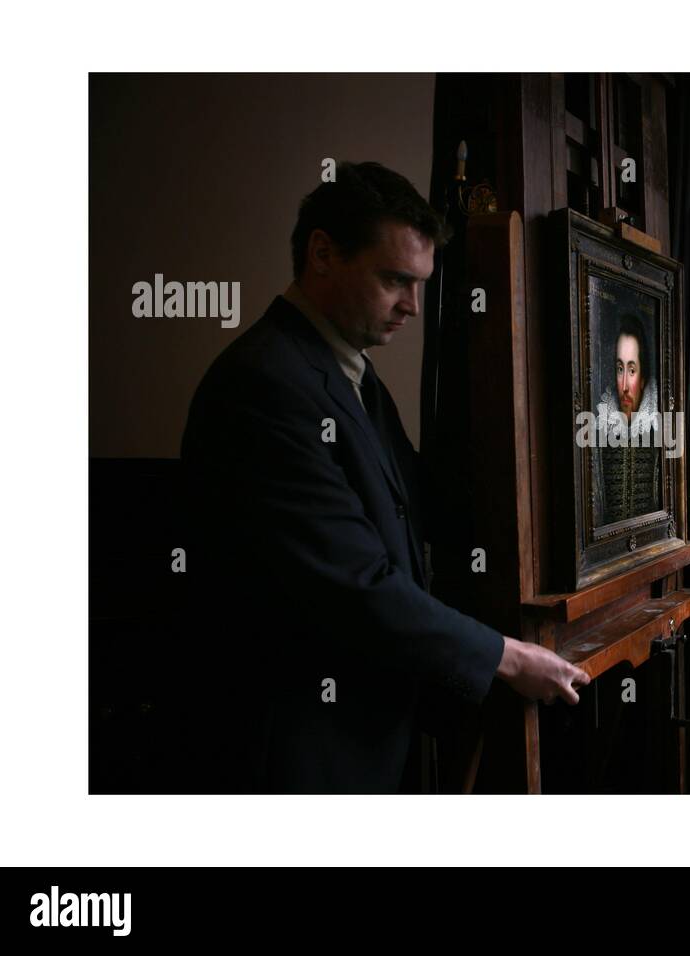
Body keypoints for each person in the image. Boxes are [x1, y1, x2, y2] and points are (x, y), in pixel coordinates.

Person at [180, 161, 588, 793]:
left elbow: (419, 506)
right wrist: (506, 656)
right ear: (322, 253)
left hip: (360, 732)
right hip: (296, 754)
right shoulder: (264, 385)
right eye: (396, 279)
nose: (413, 307)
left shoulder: (351, 373)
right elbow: (355, 586)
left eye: (421, 283)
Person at [592, 314, 660, 525]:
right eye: (620, 368)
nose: (623, 385)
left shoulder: (660, 426)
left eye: (632, 370)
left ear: (643, 378)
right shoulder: (599, 424)